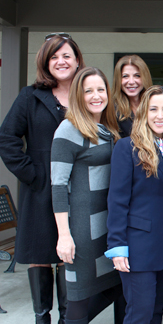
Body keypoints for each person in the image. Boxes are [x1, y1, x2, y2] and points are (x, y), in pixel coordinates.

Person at [0, 33, 85, 324]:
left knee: (68, 253)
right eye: (54, 56)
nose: (60, 61)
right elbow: (7, 138)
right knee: (40, 253)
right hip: (40, 188)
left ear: (77, 61)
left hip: (78, 187)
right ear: (45, 62)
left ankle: (66, 317)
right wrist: (33, 174)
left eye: (66, 56)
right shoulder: (30, 95)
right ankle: (41, 317)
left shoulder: (86, 94)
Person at [51, 67, 123, 324]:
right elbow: (57, 186)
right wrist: (64, 236)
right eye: (88, 91)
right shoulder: (68, 130)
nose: (96, 96)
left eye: (100, 90)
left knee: (116, 286)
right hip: (82, 231)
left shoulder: (107, 130)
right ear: (77, 96)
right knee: (79, 299)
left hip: (107, 226)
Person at [106, 85, 163, 323]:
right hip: (138, 246)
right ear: (143, 113)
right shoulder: (126, 147)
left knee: (157, 310)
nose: (160, 116)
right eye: (154, 109)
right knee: (140, 313)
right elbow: (117, 200)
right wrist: (117, 245)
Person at [112, 54, 153, 137]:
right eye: (125, 76)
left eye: (137, 76)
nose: (131, 81)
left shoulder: (154, 104)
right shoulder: (112, 109)